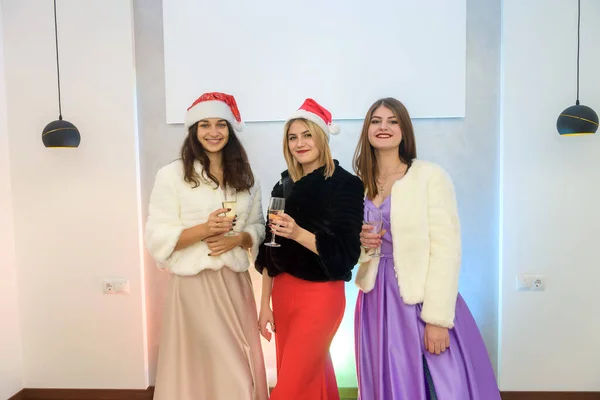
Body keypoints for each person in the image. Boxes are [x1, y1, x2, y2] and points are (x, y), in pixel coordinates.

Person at [353, 97, 501, 399]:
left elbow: (447, 251)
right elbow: (354, 244)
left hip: (419, 299)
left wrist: (437, 319)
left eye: (393, 121)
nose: (384, 127)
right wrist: (361, 241)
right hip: (375, 300)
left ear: (404, 130)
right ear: (367, 130)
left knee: (438, 383)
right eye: (376, 121)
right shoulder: (360, 183)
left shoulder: (429, 177)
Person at [145, 92, 268, 400]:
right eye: (204, 125)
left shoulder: (246, 176)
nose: (213, 132)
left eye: (220, 125)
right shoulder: (171, 176)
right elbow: (157, 236)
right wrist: (204, 229)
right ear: (193, 131)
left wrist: (239, 238)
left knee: (238, 365)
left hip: (235, 285)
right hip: (192, 287)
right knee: (201, 367)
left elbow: (258, 227)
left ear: (230, 130)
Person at [255, 98, 364, 400]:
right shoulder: (283, 186)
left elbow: (346, 253)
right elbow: (268, 251)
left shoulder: (346, 184)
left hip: (321, 296)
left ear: (322, 137)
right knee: (312, 378)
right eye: (293, 137)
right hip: (283, 294)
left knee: (290, 387)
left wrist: (299, 233)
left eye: (307, 134)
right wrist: (264, 304)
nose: (300, 143)